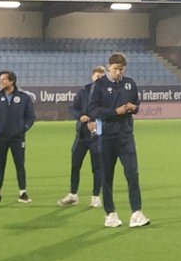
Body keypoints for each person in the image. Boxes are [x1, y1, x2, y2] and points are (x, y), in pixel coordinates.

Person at [87, 53, 150, 228]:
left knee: (132, 174)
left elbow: (137, 103)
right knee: (107, 177)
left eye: (121, 70)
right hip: (106, 137)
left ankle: (136, 213)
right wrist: (116, 112)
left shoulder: (130, 83)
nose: (118, 73)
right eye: (115, 69)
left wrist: (134, 108)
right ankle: (110, 214)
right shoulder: (99, 85)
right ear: (109, 67)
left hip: (126, 136)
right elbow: (93, 110)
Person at [0, 70, 35, 204]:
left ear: (12, 81)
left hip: (17, 138)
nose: (1, 82)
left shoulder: (24, 98)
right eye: (0, 79)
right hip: (0, 137)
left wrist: (23, 129)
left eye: (4, 79)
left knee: (20, 165)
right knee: (0, 165)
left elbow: (30, 117)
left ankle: (22, 192)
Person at [58, 65, 105, 208]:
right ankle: (73, 194)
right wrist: (80, 116)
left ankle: (96, 196)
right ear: (92, 77)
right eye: (97, 76)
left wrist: (97, 123)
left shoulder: (107, 95)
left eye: (102, 77)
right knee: (75, 165)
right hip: (81, 136)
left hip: (97, 136)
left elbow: (110, 112)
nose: (99, 79)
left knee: (97, 168)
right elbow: (73, 108)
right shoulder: (83, 92)